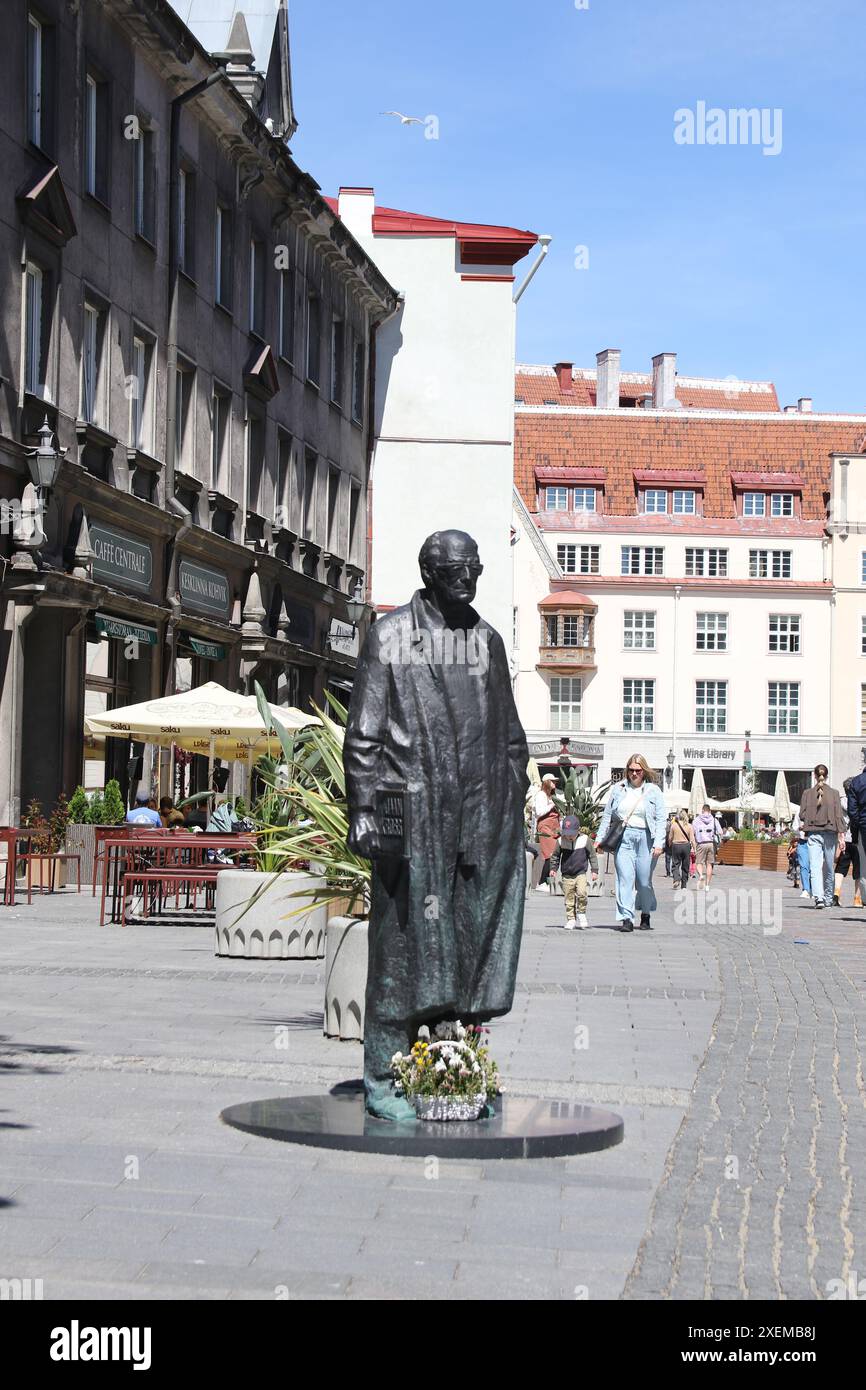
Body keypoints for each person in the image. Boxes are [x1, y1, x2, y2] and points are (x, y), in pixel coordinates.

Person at [344, 528, 529, 1120]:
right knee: (402, 947)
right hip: (411, 816)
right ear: (429, 574)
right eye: (457, 572)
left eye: (474, 570)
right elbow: (364, 736)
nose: (469, 581)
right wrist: (366, 811)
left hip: (477, 819)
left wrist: (511, 790)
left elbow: (510, 736)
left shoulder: (487, 643)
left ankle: (448, 1069)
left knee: (464, 944)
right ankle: (383, 1077)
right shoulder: (392, 637)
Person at [595, 753, 666, 932]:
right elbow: (607, 817)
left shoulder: (653, 791)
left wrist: (659, 843)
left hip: (646, 839)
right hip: (624, 838)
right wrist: (599, 840)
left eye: (638, 770)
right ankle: (626, 917)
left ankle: (646, 913)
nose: (634, 773)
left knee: (643, 881)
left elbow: (661, 819)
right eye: (631, 770)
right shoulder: (618, 789)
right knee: (624, 879)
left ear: (644, 771)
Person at [799, 764, 846, 909]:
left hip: (813, 832)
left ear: (814, 776)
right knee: (829, 868)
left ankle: (818, 898)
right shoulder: (834, 793)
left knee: (815, 866)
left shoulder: (807, 793)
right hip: (830, 832)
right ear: (826, 776)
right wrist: (841, 836)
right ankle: (828, 897)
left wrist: (813, 816)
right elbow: (839, 816)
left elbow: (802, 815)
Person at [559, 814, 598, 930]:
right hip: (566, 874)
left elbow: (592, 855)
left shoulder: (585, 840)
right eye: (567, 833)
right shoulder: (561, 841)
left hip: (580, 873)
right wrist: (553, 869)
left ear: (578, 830)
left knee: (582, 893)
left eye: (572, 833)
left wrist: (594, 870)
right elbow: (555, 856)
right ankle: (571, 919)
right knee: (568, 897)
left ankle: (581, 912)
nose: (569, 836)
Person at [833, 781, 863, 907]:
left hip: (844, 839)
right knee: (859, 871)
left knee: (840, 868)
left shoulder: (840, 802)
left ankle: (836, 894)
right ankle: (857, 899)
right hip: (858, 839)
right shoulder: (860, 801)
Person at [532, 774, 561, 892]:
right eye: (552, 781)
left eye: (555, 781)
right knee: (550, 853)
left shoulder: (551, 795)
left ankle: (547, 881)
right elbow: (539, 812)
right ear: (546, 782)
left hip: (553, 827)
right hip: (545, 827)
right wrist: (552, 805)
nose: (555, 783)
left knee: (553, 853)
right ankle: (542, 882)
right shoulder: (541, 795)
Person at [692, 804, 723, 890]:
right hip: (711, 844)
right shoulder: (714, 820)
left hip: (701, 843)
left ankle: (701, 875)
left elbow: (692, 832)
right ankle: (707, 886)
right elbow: (720, 832)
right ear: (709, 811)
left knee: (699, 863)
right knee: (709, 864)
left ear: (702, 810)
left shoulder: (696, 820)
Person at [667, 811, 696, 889]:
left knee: (675, 864)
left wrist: (669, 844)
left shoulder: (674, 825)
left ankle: (676, 879)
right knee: (685, 866)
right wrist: (694, 848)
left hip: (676, 845)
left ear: (678, 816)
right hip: (686, 846)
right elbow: (692, 839)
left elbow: (670, 837)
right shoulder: (689, 826)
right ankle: (684, 885)